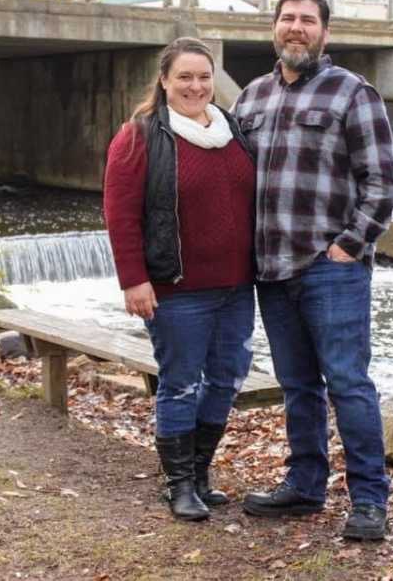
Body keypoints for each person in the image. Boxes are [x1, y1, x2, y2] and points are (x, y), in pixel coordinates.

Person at [233, 0, 393, 540]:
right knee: (297, 385)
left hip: (331, 267)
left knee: (348, 384)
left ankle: (370, 502)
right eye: (287, 19)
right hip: (271, 270)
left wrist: (350, 245)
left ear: (325, 33)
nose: (296, 28)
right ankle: (304, 486)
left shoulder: (354, 93)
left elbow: (382, 184)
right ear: (274, 29)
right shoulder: (251, 99)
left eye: (307, 20)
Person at [103, 37, 256, 522]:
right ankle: (178, 485)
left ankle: (200, 471)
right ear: (165, 81)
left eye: (204, 77)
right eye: (184, 77)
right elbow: (120, 214)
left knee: (226, 379)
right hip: (177, 288)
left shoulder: (232, 128)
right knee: (180, 384)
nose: (196, 86)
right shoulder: (141, 136)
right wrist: (134, 280)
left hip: (236, 286)